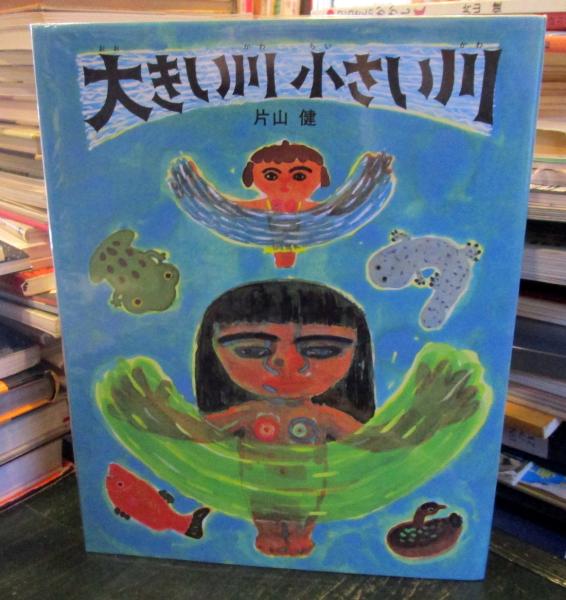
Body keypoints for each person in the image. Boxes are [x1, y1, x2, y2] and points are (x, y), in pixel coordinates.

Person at [195, 279, 375, 556]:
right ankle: (268, 536)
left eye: (321, 350)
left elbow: (369, 442)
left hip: (309, 490)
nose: (287, 362)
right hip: (260, 491)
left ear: (356, 355)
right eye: (252, 350)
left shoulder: (324, 417)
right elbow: (203, 433)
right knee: (266, 515)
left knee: (305, 515)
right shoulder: (249, 414)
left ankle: (302, 536)